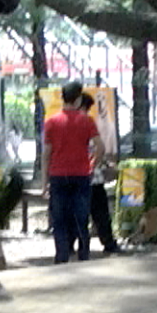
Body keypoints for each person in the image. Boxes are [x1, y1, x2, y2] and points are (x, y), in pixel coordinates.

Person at [41, 81, 107, 263]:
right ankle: (83, 256)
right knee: (81, 218)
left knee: (60, 219)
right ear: (78, 99)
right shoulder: (87, 121)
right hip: (81, 175)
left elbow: (46, 154)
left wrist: (44, 183)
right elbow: (101, 147)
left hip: (58, 175)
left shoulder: (52, 122)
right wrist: (92, 165)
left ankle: (62, 256)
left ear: (63, 98)